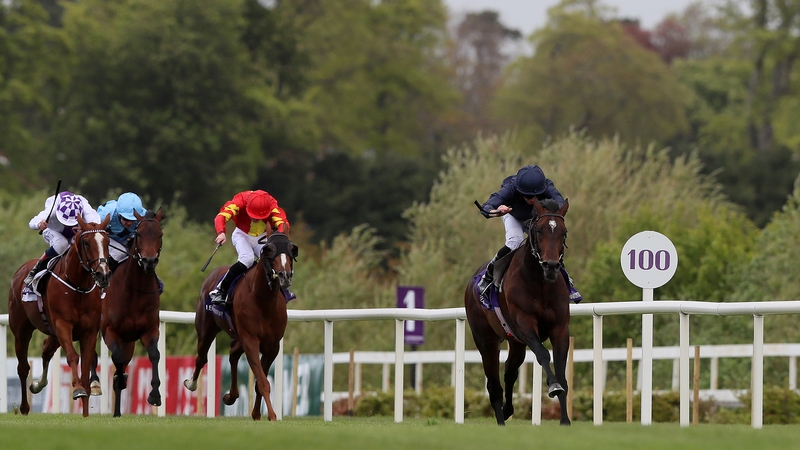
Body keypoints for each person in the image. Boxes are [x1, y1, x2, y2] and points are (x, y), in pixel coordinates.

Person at [477, 165, 582, 303]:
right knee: (514, 241)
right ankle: (488, 276)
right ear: (520, 191)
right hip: (513, 215)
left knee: (550, 240)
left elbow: (561, 205)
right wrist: (497, 211)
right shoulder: (511, 187)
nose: (532, 200)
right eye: (528, 196)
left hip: (535, 218)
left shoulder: (547, 187)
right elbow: (485, 208)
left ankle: (566, 280)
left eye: (536, 196)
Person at [209, 189, 292, 305]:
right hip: (242, 235)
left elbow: (283, 223)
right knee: (247, 259)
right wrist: (221, 232)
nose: (256, 219)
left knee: (273, 260)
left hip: (262, 236)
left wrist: (279, 236)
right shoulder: (240, 200)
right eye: (253, 215)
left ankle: (283, 290)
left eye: (259, 217)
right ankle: (220, 290)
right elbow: (221, 216)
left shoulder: (272, 205)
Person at [24, 191, 102, 287]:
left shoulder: (84, 207)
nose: (67, 224)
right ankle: (36, 269)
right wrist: (39, 224)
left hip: (74, 232)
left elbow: (95, 223)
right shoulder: (53, 208)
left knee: (85, 243)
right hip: (52, 230)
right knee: (61, 244)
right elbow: (32, 222)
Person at [97, 192, 147, 271]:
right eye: (126, 219)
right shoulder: (104, 216)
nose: (130, 223)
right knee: (120, 252)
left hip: (126, 241)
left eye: (133, 220)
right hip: (107, 239)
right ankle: (104, 274)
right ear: (119, 214)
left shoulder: (144, 217)